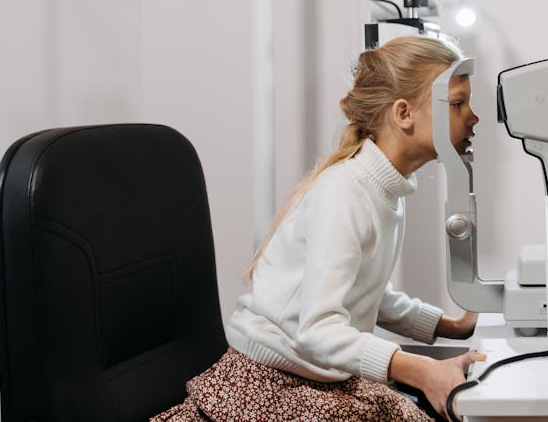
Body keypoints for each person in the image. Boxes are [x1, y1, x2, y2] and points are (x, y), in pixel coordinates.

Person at [155, 35, 485, 421]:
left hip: (319, 375)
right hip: (272, 385)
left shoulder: (383, 187)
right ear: (403, 113)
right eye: (458, 104)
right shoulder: (346, 192)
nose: (473, 117)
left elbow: (365, 294)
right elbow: (318, 331)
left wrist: (453, 326)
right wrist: (421, 369)